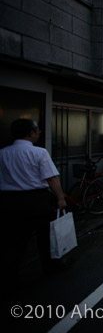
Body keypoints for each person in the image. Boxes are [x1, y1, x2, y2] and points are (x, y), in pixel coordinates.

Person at [0, 119, 68, 297]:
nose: (39, 133)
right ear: (31, 133)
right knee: (43, 236)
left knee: (15, 240)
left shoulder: (3, 153)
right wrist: (60, 198)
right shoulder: (39, 152)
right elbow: (51, 178)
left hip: (9, 201)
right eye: (37, 130)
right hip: (36, 199)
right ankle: (48, 266)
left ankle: (11, 277)